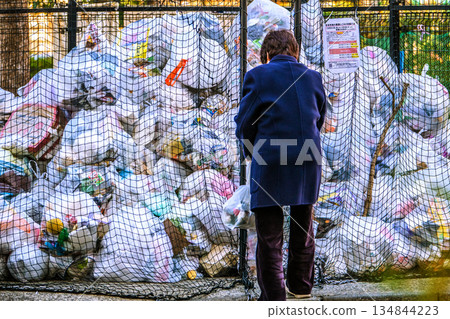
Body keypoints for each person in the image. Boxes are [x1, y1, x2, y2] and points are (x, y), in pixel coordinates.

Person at [234, 30, 327, 301]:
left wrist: (251, 151)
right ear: (295, 52)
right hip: (308, 158)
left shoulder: (257, 75)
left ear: (266, 55)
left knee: (270, 235)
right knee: (303, 227)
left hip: (270, 159)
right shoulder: (313, 77)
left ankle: (273, 298)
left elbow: (245, 123)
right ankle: (300, 288)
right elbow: (318, 119)